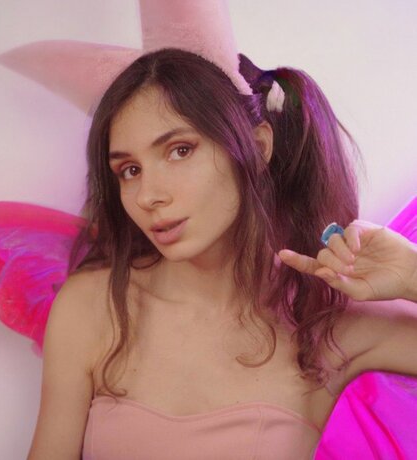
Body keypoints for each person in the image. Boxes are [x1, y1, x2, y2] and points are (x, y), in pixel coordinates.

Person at [26, 48, 417, 459]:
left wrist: (411, 274)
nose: (147, 196)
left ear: (257, 146)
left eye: (180, 150)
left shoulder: (330, 320)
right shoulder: (95, 306)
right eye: (130, 170)